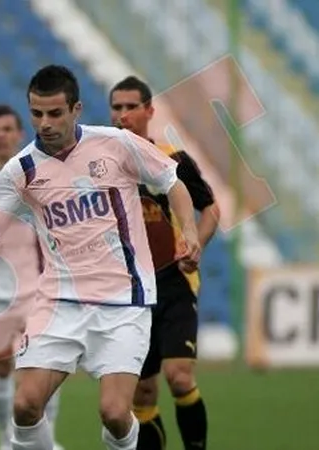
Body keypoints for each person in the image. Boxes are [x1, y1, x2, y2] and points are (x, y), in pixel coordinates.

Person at [0, 65, 201, 450]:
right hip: (58, 302)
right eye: (37, 113)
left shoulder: (117, 144)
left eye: (55, 113)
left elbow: (173, 183)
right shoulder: (20, 170)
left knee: (116, 415)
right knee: (25, 405)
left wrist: (187, 231)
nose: (45, 123)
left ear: (76, 109)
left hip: (123, 302)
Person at [110, 76, 220, 450]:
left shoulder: (173, 159)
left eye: (130, 106)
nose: (122, 114)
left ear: (149, 111)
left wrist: (195, 244)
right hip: (131, 291)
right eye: (117, 107)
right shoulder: (102, 166)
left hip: (174, 282)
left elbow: (211, 209)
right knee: (141, 394)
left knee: (179, 376)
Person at [0, 104, 63, 450]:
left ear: (19, 133)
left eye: (7, 129)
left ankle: (46, 441)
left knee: (43, 367)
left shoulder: (38, 173)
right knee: (3, 367)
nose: (1, 135)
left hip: (38, 287)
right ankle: (8, 441)